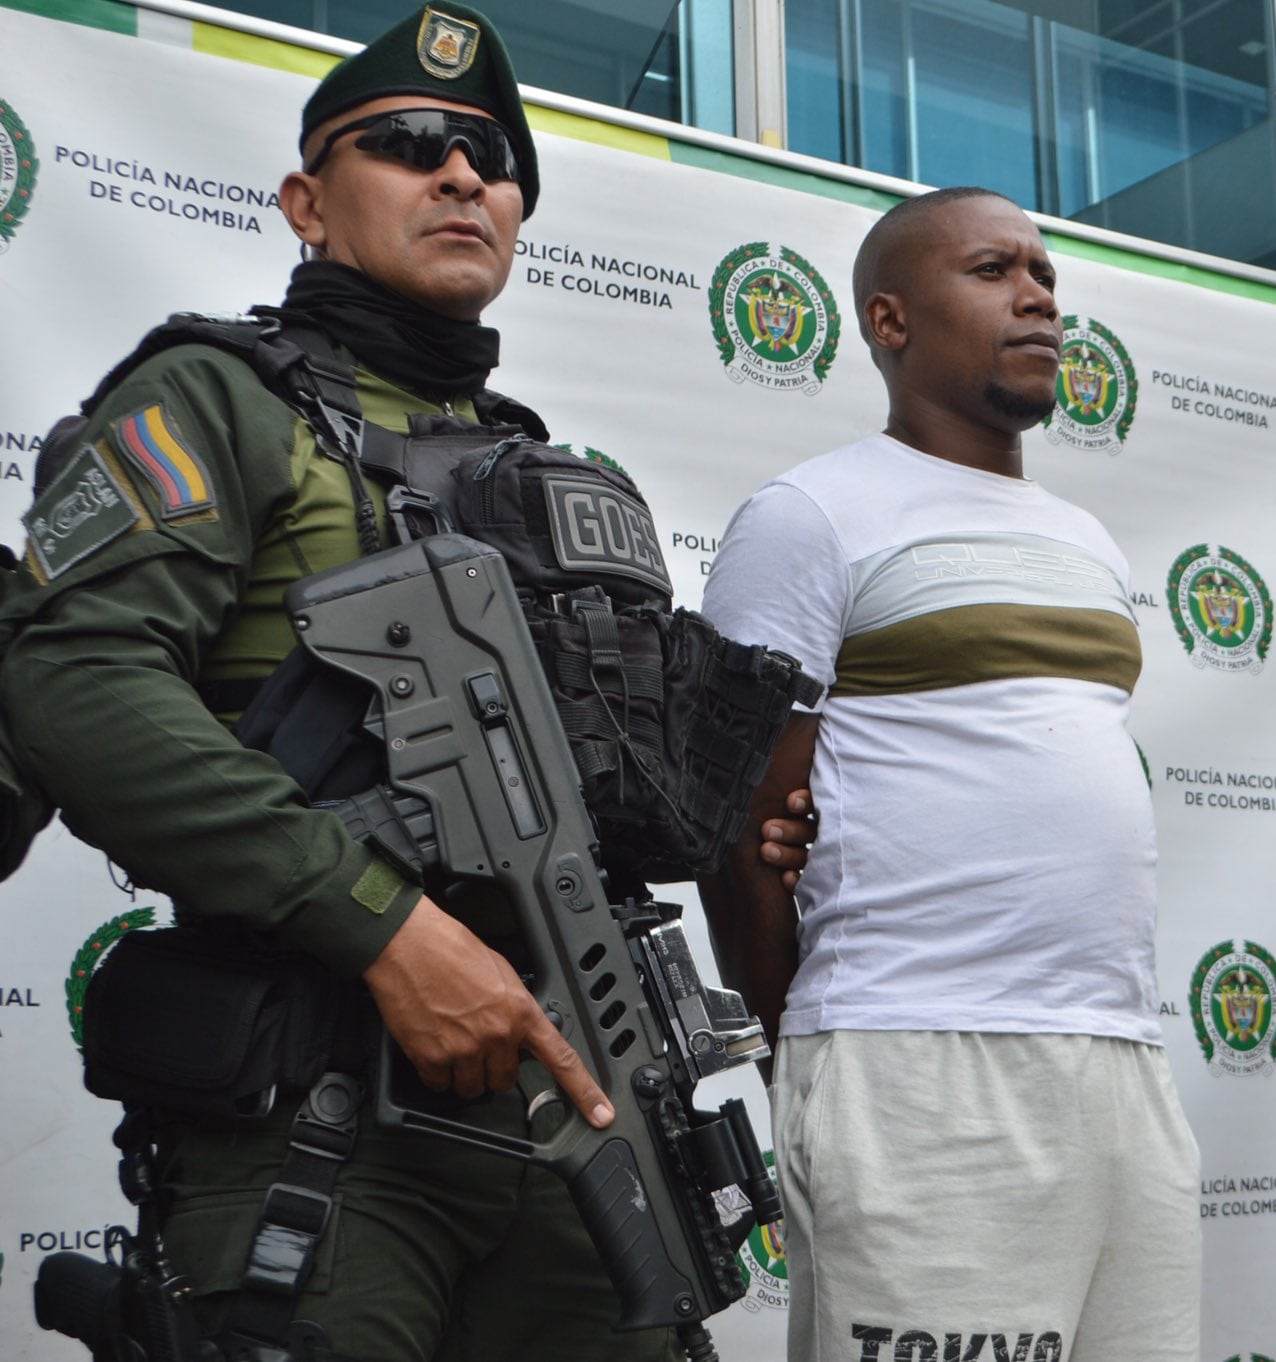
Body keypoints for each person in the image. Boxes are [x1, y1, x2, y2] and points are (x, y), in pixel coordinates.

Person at [2, 8, 804, 1358]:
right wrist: (386, 927)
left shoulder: (553, 483)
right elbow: (74, 683)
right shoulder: (217, 398)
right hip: (324, 1120)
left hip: (586, 1113)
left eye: (492, 161)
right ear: (306, 202)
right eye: (411, 145)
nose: (461, 177)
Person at [697, 186, 1201, 1362]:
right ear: (888, 318)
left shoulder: (1084, 538)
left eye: (1045, 275)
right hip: (913, 1061)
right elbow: (737, 826)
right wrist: (813, 1055)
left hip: (1117, 1056)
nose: (1037, 296)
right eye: (992, 270)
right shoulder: (809, 515)